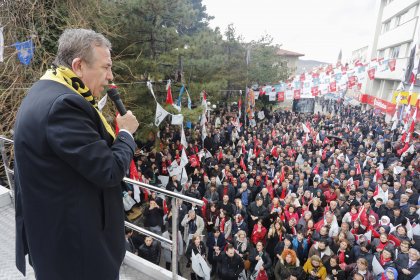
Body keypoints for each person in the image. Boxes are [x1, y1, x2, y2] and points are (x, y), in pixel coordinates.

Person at [14, 29, 139, 279]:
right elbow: (109, 170)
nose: (110, 78)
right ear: (78, 66)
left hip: (61, 241)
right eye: (106, 68)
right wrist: (125, 134)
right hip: (76, 252)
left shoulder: (46, 91)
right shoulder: (63, 106)